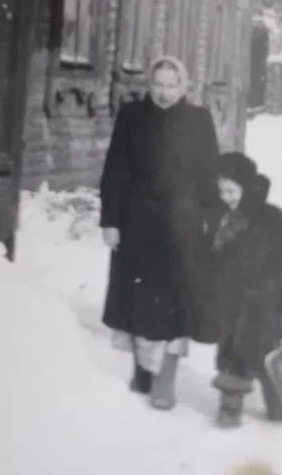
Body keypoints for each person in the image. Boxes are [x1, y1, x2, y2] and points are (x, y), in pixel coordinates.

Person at [99, 55, 220, 410]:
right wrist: (110, 221)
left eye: (171, 85)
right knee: (137, 300)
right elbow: (114, 171)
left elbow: (210, 176)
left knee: (175, 306)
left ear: (183, 86)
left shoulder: (199, 120)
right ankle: (142, 369)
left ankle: (166, 378)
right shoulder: (132, 117)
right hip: (137, 226)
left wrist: (211, 223)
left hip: (182, 231)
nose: (164, 93)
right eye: (158, 85)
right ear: (149, 85)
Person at [203, 152, 282, 429]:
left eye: (232, 190)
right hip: (233, 306)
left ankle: (277, 403)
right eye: (221, 190)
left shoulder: (273, 218)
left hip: (268, 305)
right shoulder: (221, 219)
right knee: (233, 358)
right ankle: (230, 406)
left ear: (246, 187)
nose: (226, 196)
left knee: (270, 358)